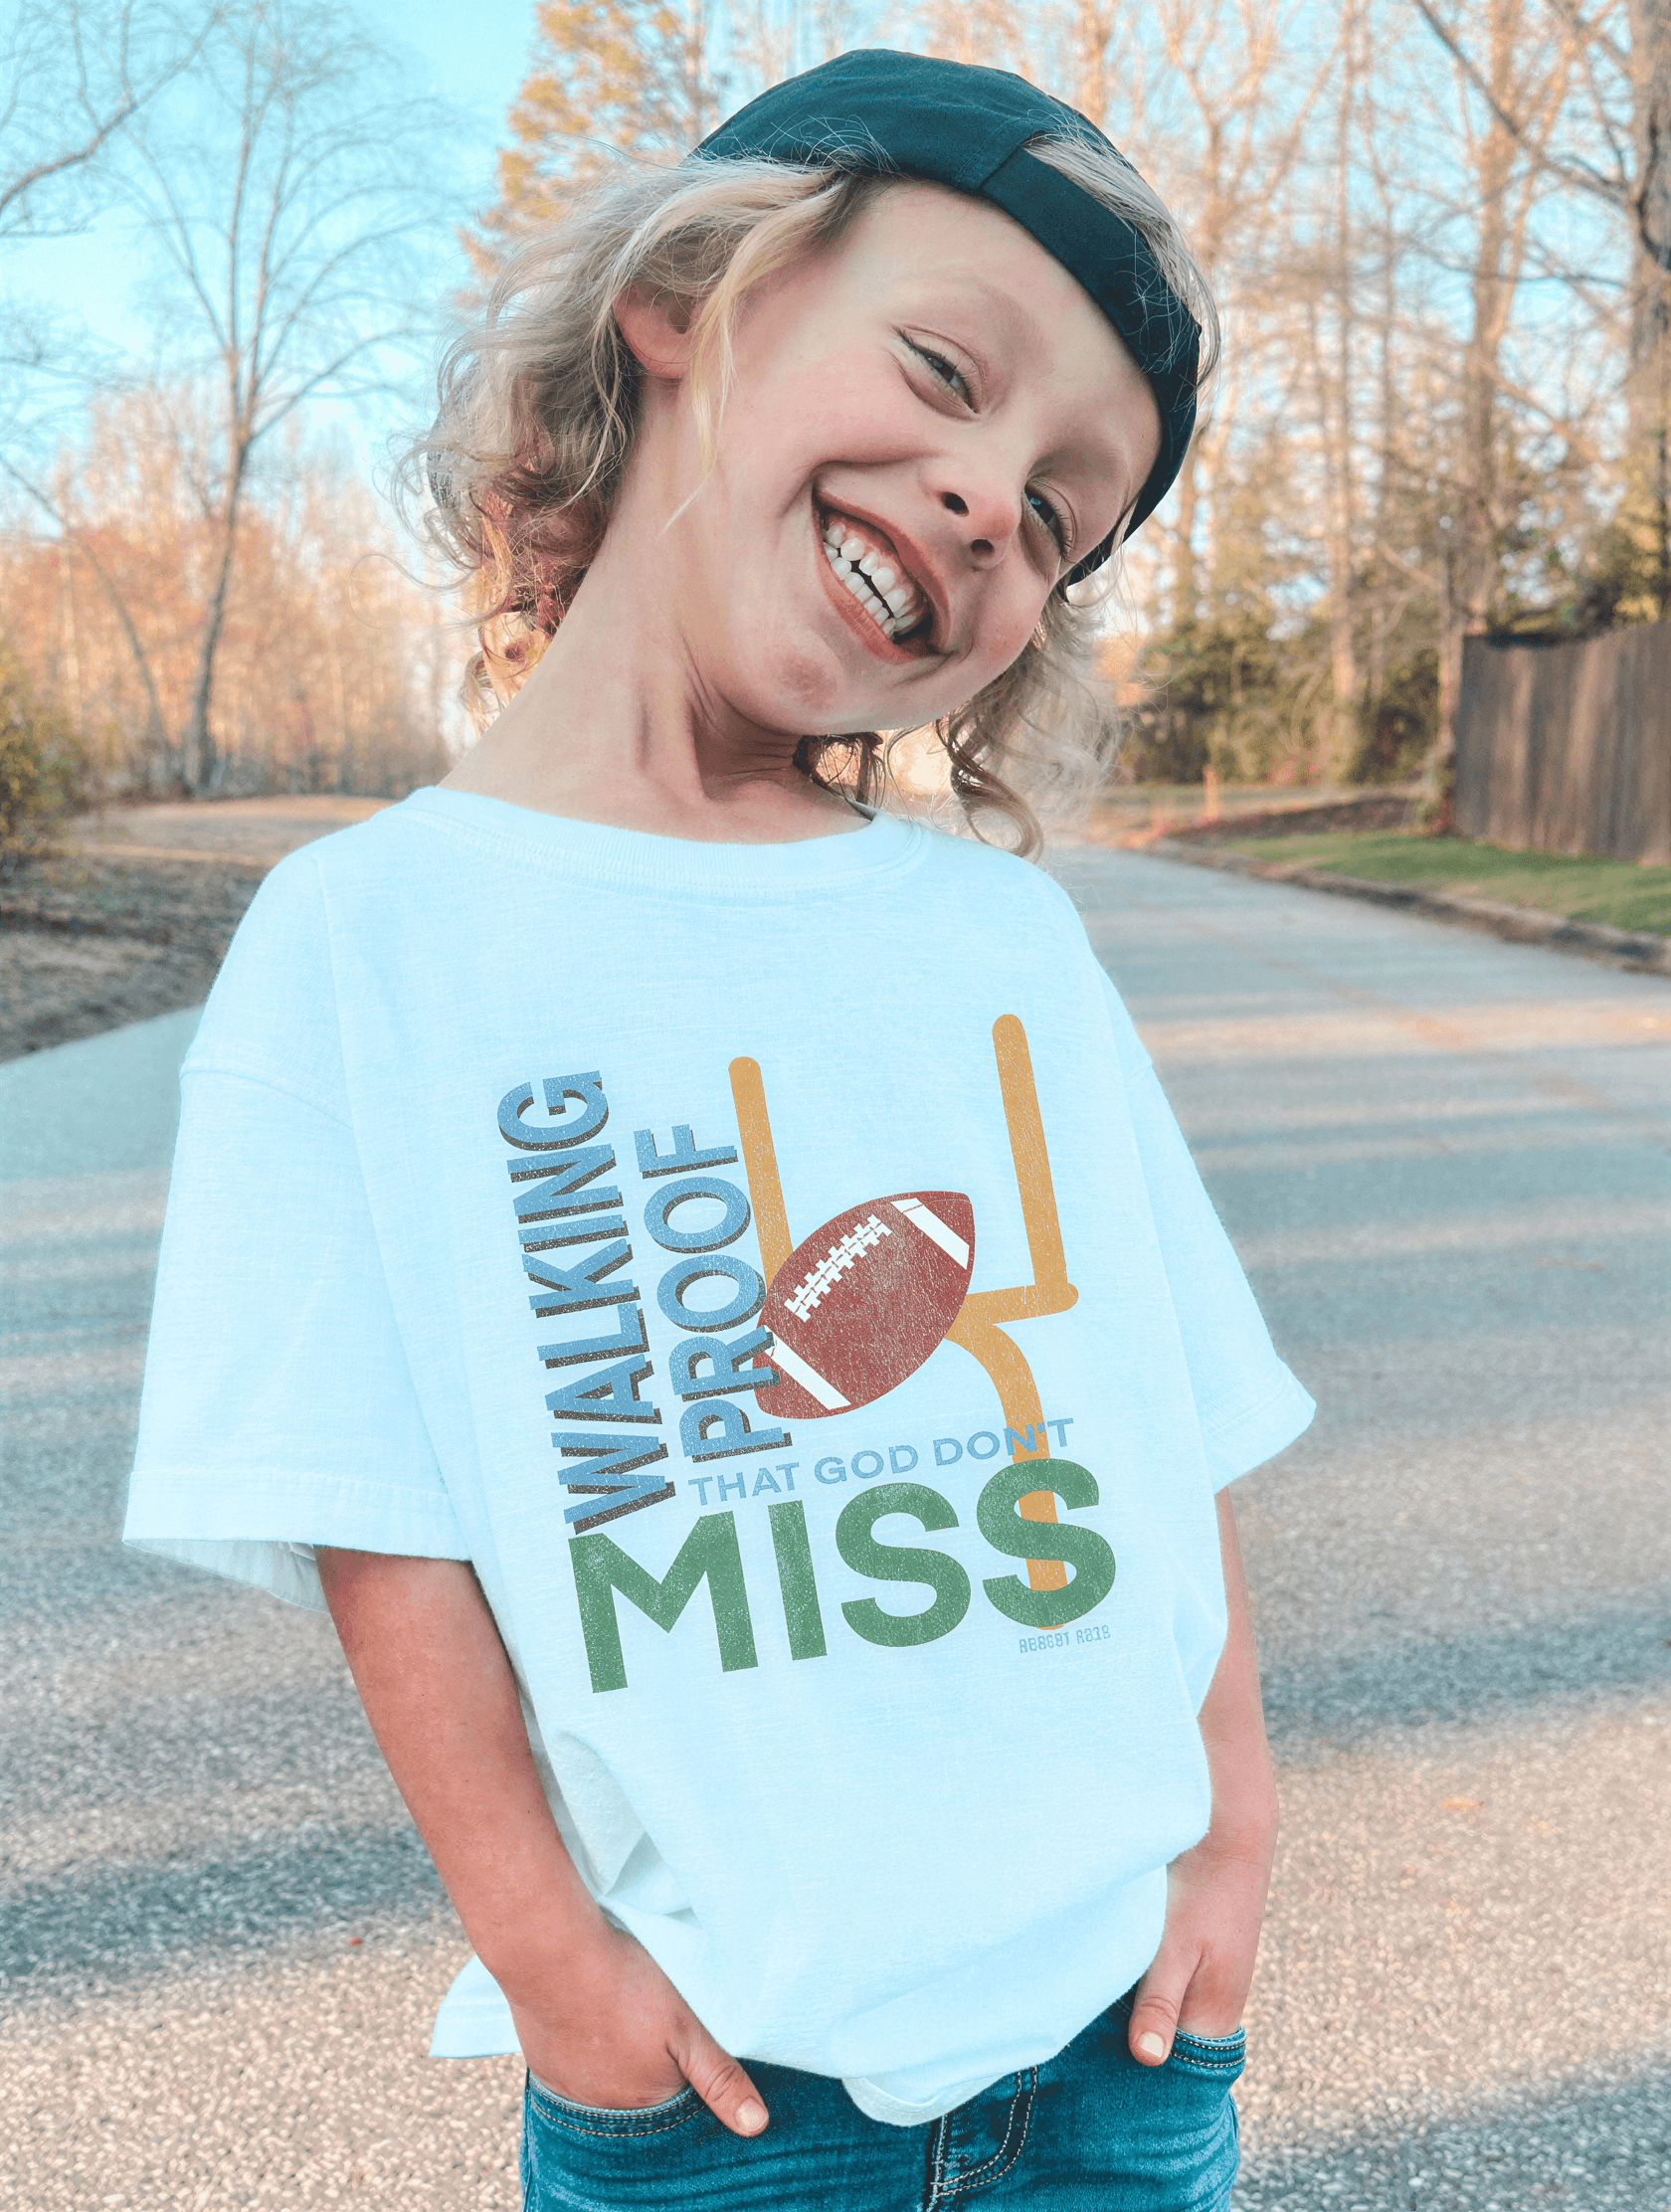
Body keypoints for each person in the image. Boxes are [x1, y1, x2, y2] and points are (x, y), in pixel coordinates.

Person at [124, 49, 1314, 2212]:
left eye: (1057, 511)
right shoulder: (367, 944)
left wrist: (1228, 1821)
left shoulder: (1000, 944)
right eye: (946, 370)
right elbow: (377, 1522)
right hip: (723, 2094)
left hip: (1118, 2047)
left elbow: (1163, 1409)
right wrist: (550, 1957)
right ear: (693, 298)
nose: (983, 498)